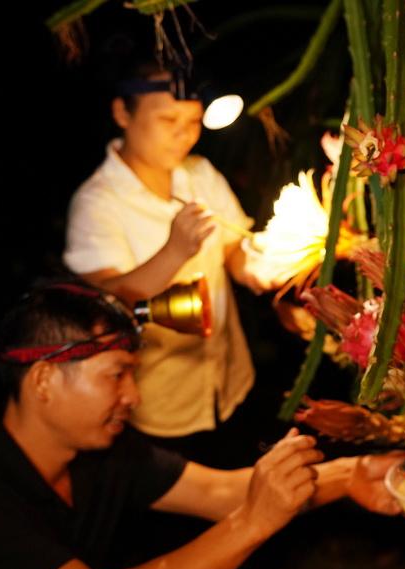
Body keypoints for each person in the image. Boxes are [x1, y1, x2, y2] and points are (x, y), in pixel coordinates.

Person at [0, 283, 402, 569]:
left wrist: (351, 473)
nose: (133, 396)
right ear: (43, 380)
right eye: (116, 375)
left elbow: (220, 494)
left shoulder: (105, 452)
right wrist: (250, 524)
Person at [63, 60, 272, 465]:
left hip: (229, 381)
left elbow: (233, 249)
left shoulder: (199, 173)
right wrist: (175, 251)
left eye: (193, 121)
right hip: (156, 407)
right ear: (123, 113)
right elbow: (104, 305)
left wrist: (259, 268)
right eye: (168, 119)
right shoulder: (97, 204)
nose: (184, 134)